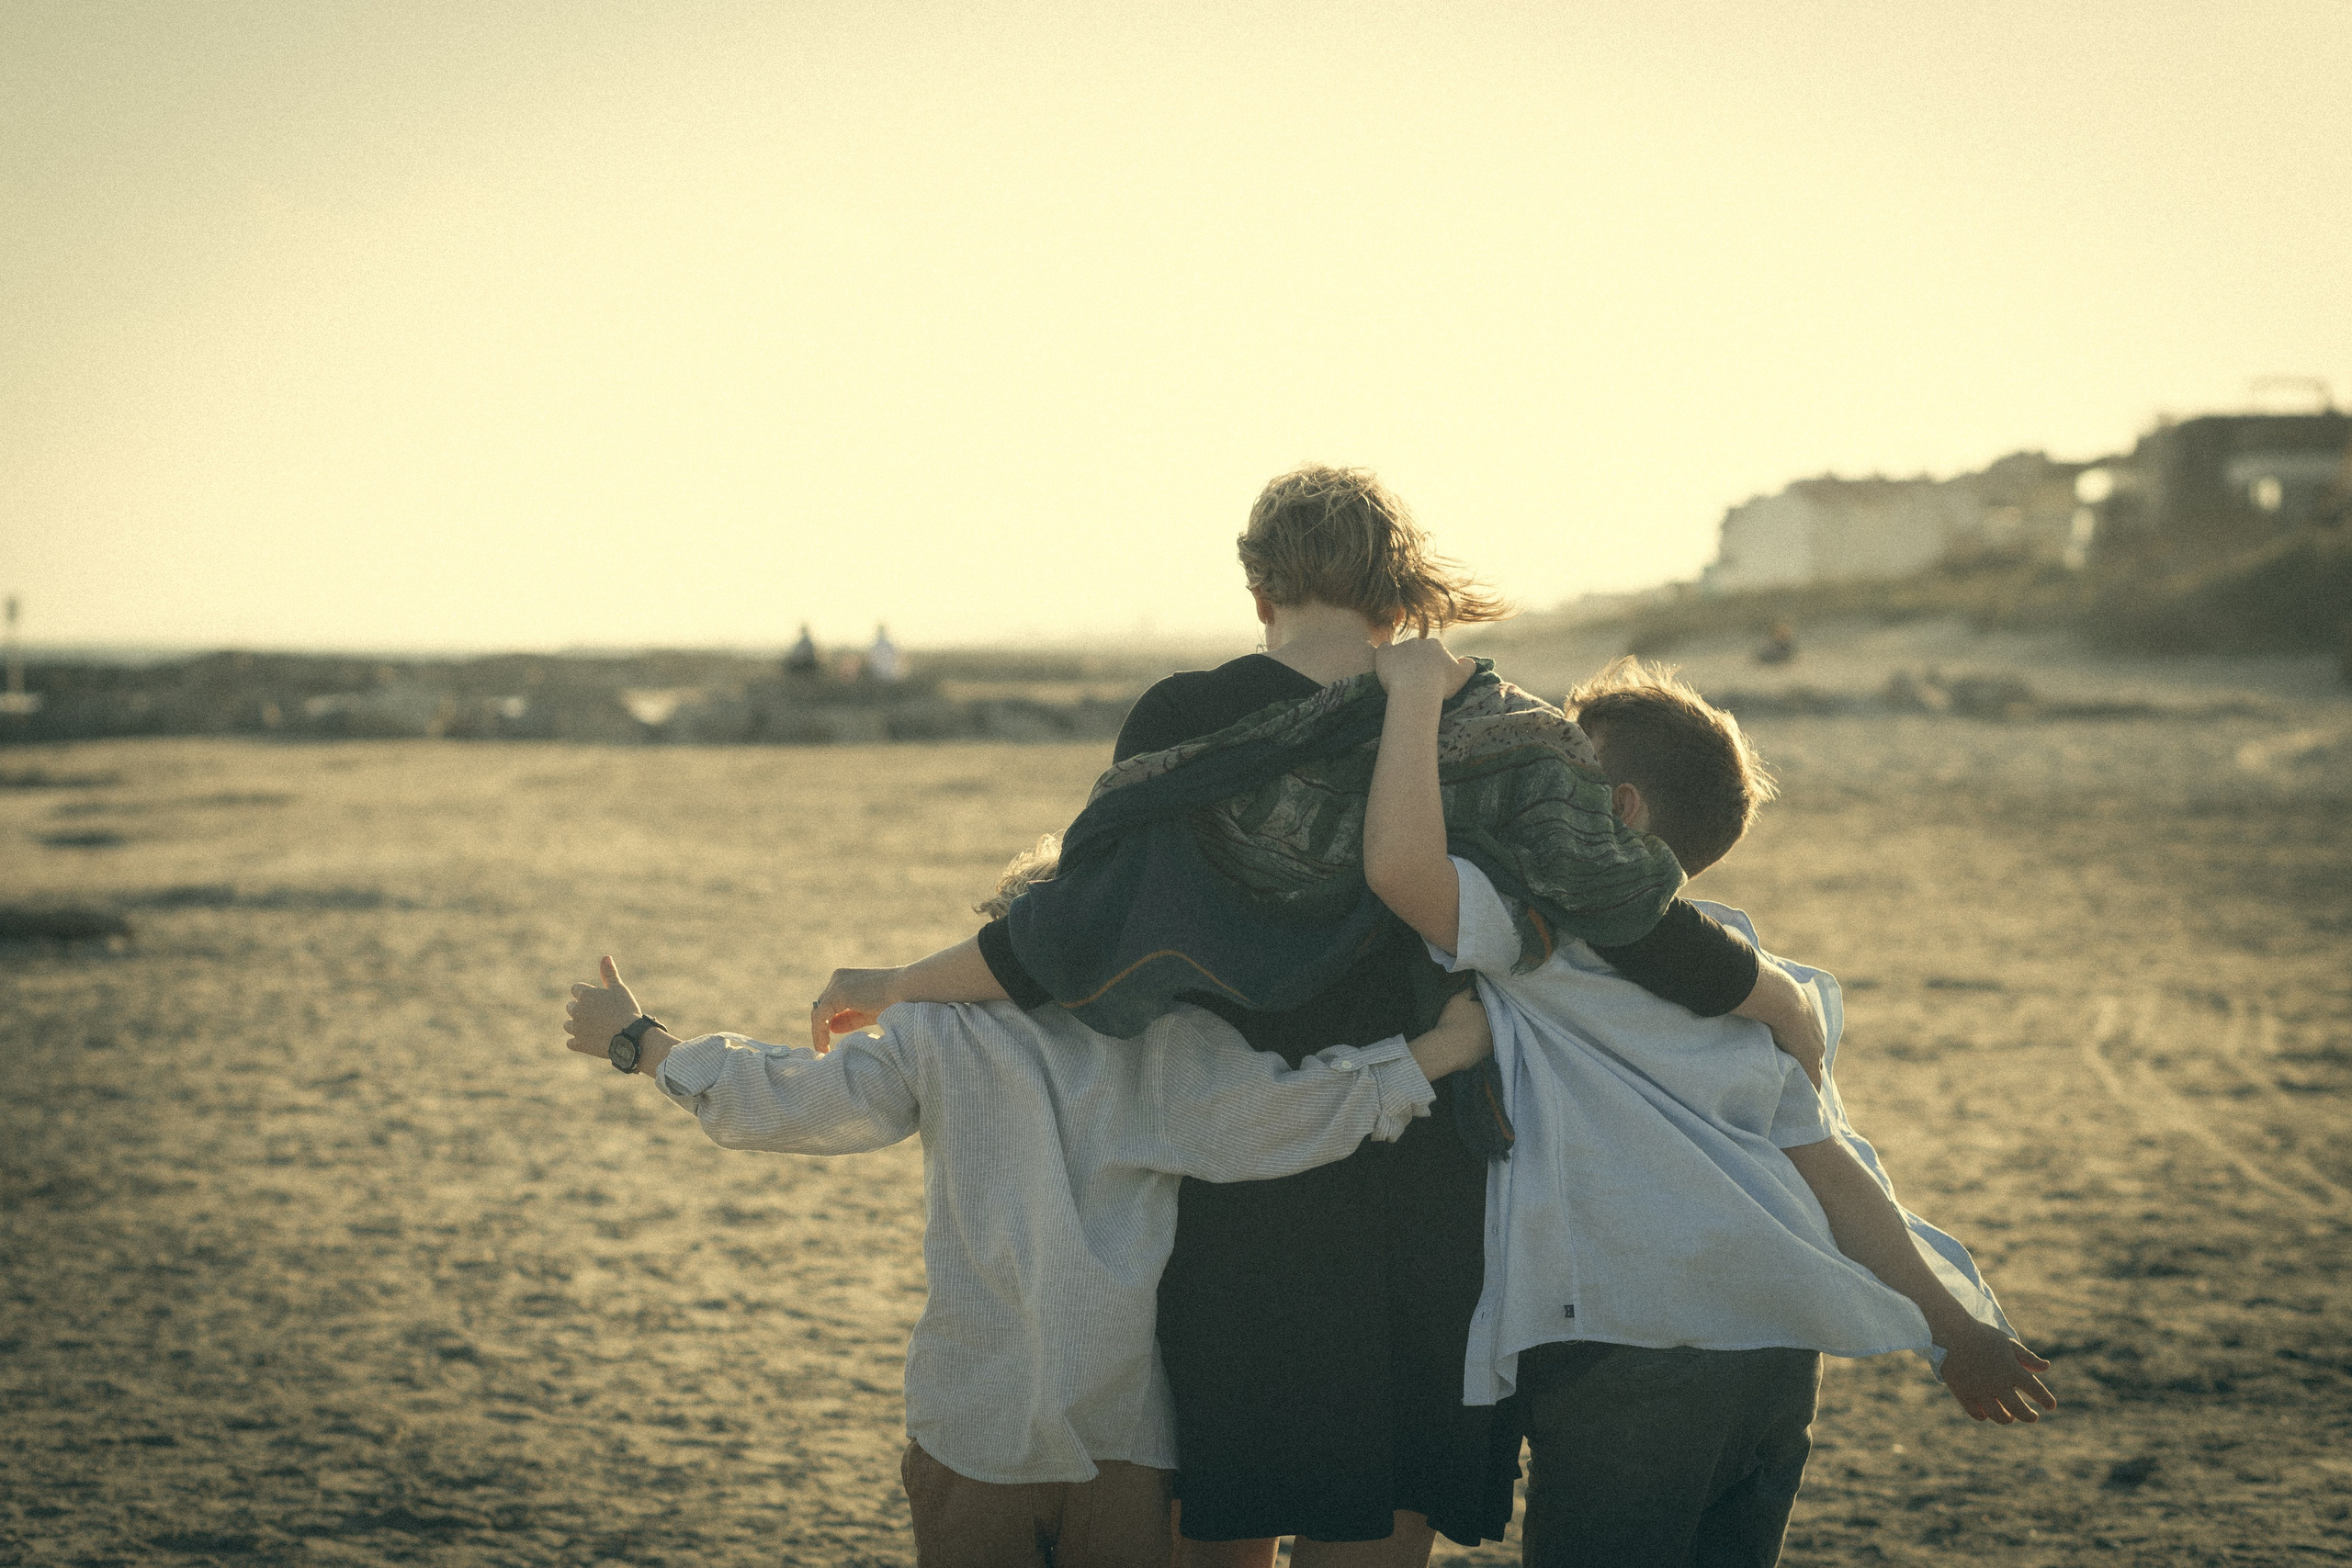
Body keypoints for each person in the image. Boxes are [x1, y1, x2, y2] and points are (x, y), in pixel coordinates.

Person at [808, 466, 1826, 1565]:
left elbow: (1077, 930)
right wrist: (1773, 997)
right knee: (1385, 1500)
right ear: (1400, 593)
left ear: (1258, 588)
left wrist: (900, 981)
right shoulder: (1480, 720)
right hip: (1431, 1151)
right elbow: (1626, 907)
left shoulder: (1184, 717)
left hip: (1245, 1165)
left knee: (1228, 1496)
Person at [1362, 644, 2054, 1565]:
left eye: (1557, 773)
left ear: (1617, 813)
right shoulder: (1742, 962)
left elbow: (1403, 866)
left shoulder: (1543, 938)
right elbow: (1836, 1175)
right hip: (1774, 1350)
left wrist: (1408, 699)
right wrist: (1955, 1331)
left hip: (1633, 1346)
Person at [560, 906, 1498, 1568]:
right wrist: (1432, 1055)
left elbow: (791, 1102)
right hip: (1122, 1436)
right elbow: (1285, 1116)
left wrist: (639, 1041)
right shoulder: (1163, 1042)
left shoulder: (939, 1033)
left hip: (975, 1424)